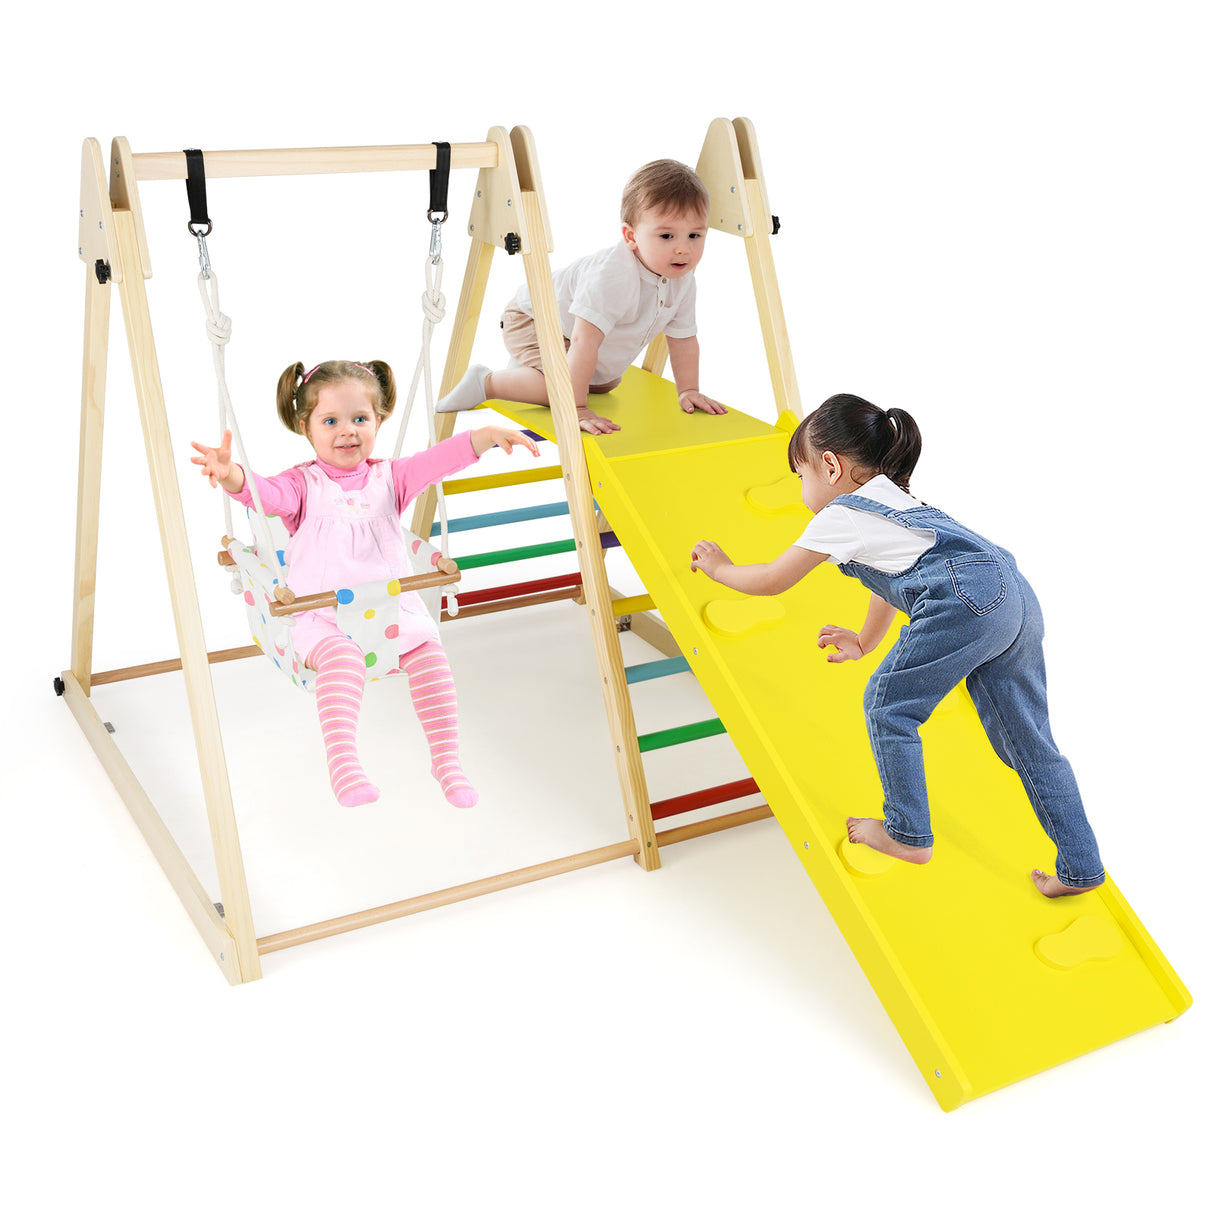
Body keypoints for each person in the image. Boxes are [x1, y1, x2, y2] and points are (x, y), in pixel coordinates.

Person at [689, 393, 1104, 898]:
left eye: (802, 476)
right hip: (1011, 592)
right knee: (1029, 742)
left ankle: (907, 833)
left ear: (830, 466)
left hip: (965, 600)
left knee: (888, 706)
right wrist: (865, 641)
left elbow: (773, 579)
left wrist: (720, 568)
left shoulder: (839, 515)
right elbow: (889, 578)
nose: (803, 488)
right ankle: (1081, 867)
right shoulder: (897, 500)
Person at [191, 358, 539, 810]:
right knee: (342, 660)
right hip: (322, 617)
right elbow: (264, 495)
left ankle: (447, 760)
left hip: (391, 611)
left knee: (431, 657)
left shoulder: (390, 478)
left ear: (378, 419)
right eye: (331, 420)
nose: (347, 431)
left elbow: (435, 461)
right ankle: (345, 764)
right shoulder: (303, 485)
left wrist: (483, 438)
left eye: (360, 418)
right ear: (306, 426)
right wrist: (232, 475)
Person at [437, 159, 728, 434]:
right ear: (631, 237)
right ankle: (486, 382)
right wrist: (575, 407)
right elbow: (583, 341)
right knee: (561, 390)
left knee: (605, 384)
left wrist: (688, 389)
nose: (683, 249)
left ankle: (534, 374)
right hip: (534, 320)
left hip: (581, 337)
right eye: (667, 236)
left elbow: (684, 339)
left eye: (694, 236)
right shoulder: (613, 277)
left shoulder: (683, 281)